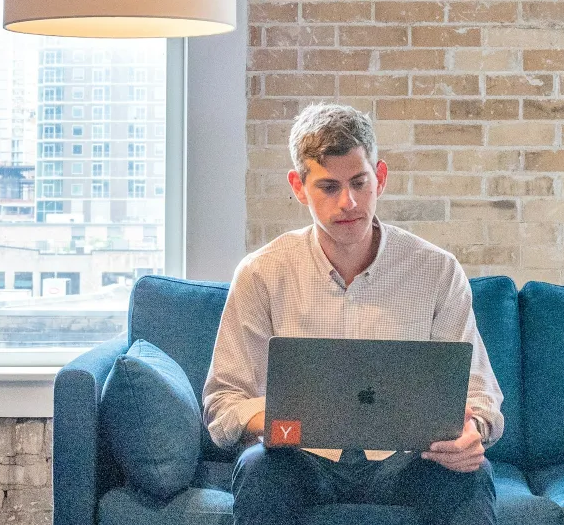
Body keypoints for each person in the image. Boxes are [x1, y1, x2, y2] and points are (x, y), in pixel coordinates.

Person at [203, 103, 504, 525]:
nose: (349, 202)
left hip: (408, 461)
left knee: (472, 475)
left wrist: (472, 433)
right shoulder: (261, 272)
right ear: (298, 187)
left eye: (360, 183)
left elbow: (481, 396)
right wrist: (286, 417)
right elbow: (222, 403)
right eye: (328, 187)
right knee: (258, 469)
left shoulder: (435, 269)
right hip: (299, 459)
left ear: (380, 177)